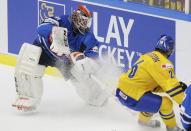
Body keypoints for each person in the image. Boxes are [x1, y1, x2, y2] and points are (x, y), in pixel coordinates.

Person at [12, 5, 110, 111]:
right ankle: (28, 96)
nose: (86, 25)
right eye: (84, 21)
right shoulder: (62, 20)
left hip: (66, 61)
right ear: (76, 18)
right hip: (44, 51)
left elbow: (93, 54)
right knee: (29, 55)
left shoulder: (88, 36)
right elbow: (41, 27)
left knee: (80, 76)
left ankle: (96, 96)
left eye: (87, 22)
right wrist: (52, 33)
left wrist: (84, 59)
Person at [115, 35, 186, 131]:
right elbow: (173, 89)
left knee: (152, 99)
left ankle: (143, 122)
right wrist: (185, 104)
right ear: (169, 50)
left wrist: (173, 87)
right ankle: (172, 128)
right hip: (133, 97)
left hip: (120, 91)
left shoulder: (147, 55)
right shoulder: (164, 63)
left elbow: (150, 84)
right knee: (166, 103)